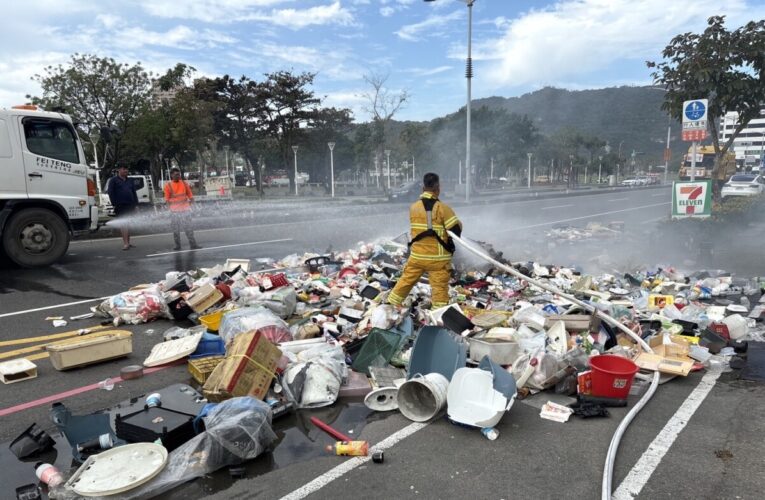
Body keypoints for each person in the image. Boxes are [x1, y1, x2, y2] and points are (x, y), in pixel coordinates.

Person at [388, 172, 462, 309]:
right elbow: (456, 231)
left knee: (405, 281)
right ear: (438, 188)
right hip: (437, 260)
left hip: (417, 257)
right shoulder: (443, 209)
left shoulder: (414, 207)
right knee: (439, 289)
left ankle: (390, 305)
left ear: (423, 188)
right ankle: (437, 317)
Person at [163, 167, 201, 251]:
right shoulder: (168, 186)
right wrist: (168, 210)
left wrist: (193, 205)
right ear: (172, 175)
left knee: (189, 228)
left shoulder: (184, 183)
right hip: (174, 211)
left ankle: (193, 244)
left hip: (185, 210)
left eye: (179, 174)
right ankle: (177, 246)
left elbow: (190, 195)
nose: (178, 176)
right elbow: (167, 200)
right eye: (176, 174)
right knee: (176, 230)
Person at [106, 164, 138, 250]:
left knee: (129, 224)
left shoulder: (130, 180)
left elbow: (134, 193)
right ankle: (126, 244)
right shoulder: (113, 180)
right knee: (124, 224)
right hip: (120, 205)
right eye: (124, 169)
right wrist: (114, 204)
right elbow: (110, 192)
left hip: (130, 205)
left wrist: (136, 205)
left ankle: (128, 242)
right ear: (119, 170)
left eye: (127, 169)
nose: (126, 171)